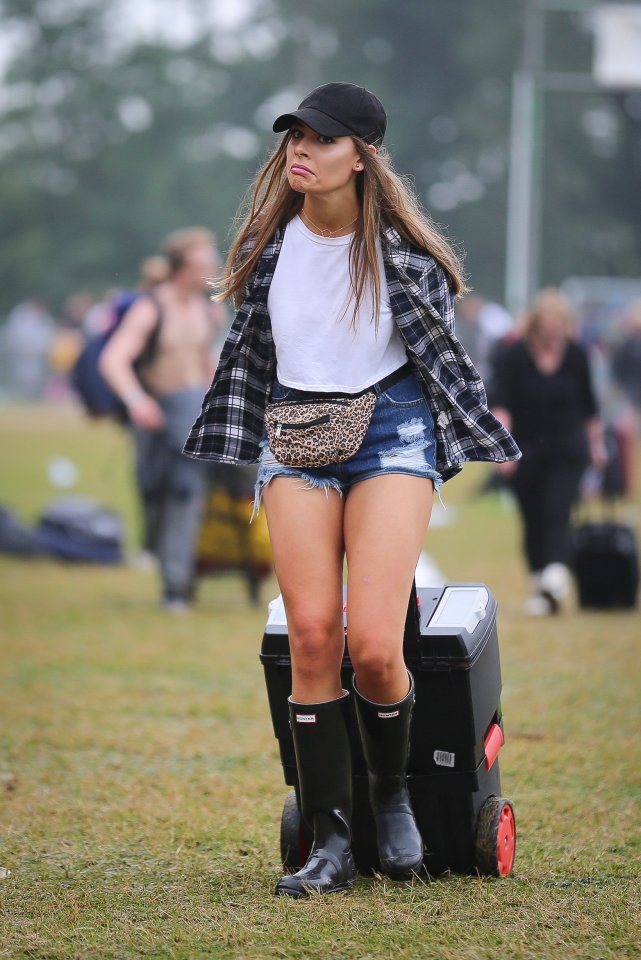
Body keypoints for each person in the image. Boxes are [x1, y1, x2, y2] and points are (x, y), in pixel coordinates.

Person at [184, 82, 520, 897]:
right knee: (308, 637)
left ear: (361, 157)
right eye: (293, 137)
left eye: (319, 139)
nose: (300, 150)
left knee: (373, 645)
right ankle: (329, 839)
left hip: (392, 433)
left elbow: (445, 361)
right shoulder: (268, 253)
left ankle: (390, 794)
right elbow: (248, 364)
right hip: (295, 439)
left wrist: (477, 432)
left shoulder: (405, 257)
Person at [99, 227, 226, 611]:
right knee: (153, 495)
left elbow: (207, 365)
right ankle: (165, 562)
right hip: (155, 416)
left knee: (187, 490)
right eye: (207, 260)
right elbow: (113, 359)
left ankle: (176, 587)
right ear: (185, 267)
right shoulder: (150, 307)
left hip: (191, 415)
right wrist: (137, 401)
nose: (215, 266)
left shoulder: (207, 310)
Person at [491, 288, 607, 616]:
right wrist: (504, 449)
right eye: (548, 331)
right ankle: (541, 583)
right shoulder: (513, 355)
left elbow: (589, 404)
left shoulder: (577, 355)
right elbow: (502, 403)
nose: (554, 337)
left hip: (568, 450)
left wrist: (597, 445)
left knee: (557, 511)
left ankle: (556, 571)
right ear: (536, 326)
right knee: (532, 519)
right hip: (524, 450)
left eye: (561, 329)